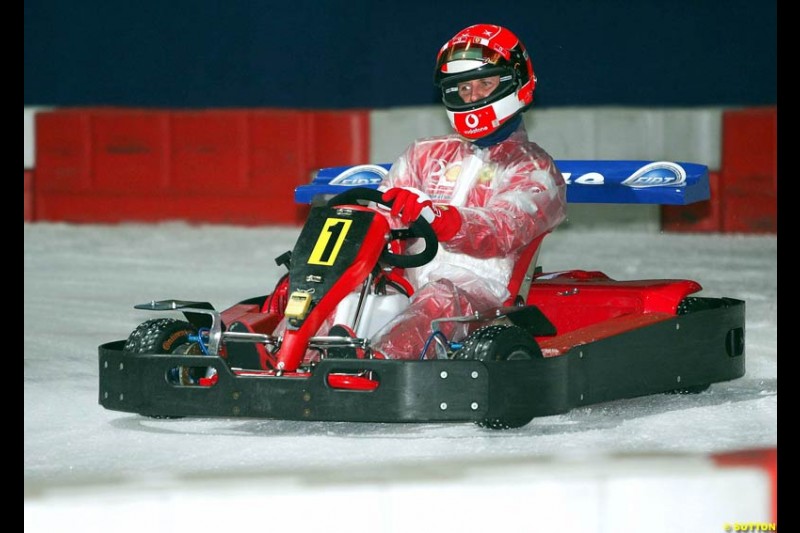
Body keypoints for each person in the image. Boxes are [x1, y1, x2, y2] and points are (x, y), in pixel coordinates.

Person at [367, 23, 568, 360]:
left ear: (515, 83)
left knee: (438, 299)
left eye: (484, 84)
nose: (472, 96)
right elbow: (384, 212)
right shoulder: (424, 154)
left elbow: (501, 230)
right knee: (351, 287)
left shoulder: (535, 169)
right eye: (463, 88)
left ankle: (375, 366)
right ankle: (292, 353)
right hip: (409, 276)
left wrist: (439, 217)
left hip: (480, 292)